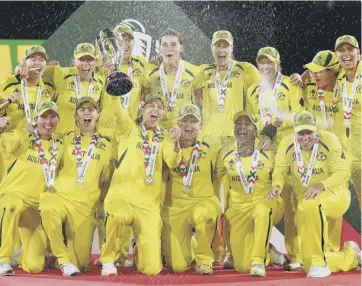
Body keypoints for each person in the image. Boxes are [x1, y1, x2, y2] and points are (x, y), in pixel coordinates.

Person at [269, 110, 361, 278]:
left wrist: (321, 185)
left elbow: (343, 173)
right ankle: (352, 255)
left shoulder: (330, 140)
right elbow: (280, 170)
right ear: (295, 131)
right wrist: (277, 185)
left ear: (316, 130)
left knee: (313, 203)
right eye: (301, 133)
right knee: (307, 265)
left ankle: (320, 261)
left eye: (309, 132)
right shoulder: (286, 143)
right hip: (305, 202)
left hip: (336, 195)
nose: (305, 138)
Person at [100, 93, 182, 276]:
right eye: (151, 106)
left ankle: (140, 251)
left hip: (148, 206)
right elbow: (118, 111)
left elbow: (173, 161)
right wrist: (113, 94)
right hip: (122, 197)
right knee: (117, 215)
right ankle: (107, 259)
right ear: (141, 110)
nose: (156, 110)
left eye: (160, 108)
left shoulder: (165, 139)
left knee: (152, 269)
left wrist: (176, 143)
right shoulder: (129, 128)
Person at [38, 97, 115, 276]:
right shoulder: (65, 138)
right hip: (60, 197)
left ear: (98, 115)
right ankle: (62, 259)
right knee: (47, 205)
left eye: (91, 109)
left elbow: (110, 176)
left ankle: (55, 255)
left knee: (81, 265)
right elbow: (42, 139)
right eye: (82, 110)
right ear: (76, 117)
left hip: (85, 207)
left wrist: (101, 203)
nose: (87, 112)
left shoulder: (108, 144)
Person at [246, 46, 304, 270]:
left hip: (287, 151)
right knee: (263, 202)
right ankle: (266, 252)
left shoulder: (290, 84)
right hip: (264, 151)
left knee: (290, 203)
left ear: (277, 63)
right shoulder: (253, 90)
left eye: (270, 62)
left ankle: (296, 255)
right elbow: (255, 121)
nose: (266, 66)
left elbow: (300, 114)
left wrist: (279, 122)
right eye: (262, 62)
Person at [96, 24, 148, 266]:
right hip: (105, 135)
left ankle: (121, 253)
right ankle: (108, 247)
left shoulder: (142, 65)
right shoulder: (99, 62)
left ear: (132, 42)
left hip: (129, 136)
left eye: (127, 39)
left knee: (127, 191)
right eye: (120, 39)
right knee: (102, 194)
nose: (124, 43)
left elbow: (152, 89)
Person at [214, 111, 284, 276]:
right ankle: (269, 252)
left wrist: (277, 185)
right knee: (243, 266)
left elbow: (280, 170)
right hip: (240, 209)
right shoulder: (226, 153)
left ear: (255, 129)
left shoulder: (268, 148)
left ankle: (259, 260)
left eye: (247, 124)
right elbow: (217, 176)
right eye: (238, 124)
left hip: (268, 201)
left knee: (262, 211)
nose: (242, 128)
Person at [0, 101, 63, 276]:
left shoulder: (60, 145)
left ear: (58, 119)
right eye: (44, 116)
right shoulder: (22, 135)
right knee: (13, 204)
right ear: (35, 119)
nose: (48, 121)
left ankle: (20, 254)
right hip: (11, 199)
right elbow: (5, 141)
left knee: (34, 266)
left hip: (34, 210)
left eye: (52, 116)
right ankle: (3, 259)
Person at [161, 104, 222, 275]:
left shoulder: (210, 146)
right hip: (176, 207)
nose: (188, 126)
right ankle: (194, 244)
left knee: (206, 215)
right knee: (178, 266)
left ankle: (204, 260)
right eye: (184, 121)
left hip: (203, 201)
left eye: (193, 121)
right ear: (177, 125)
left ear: (200, 125)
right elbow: (172, 161)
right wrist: (174, 144)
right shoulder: (168, 145)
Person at [17, 43, 105, 135]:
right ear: (74, 61)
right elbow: (33, 71)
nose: (85, 63)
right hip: (59, 140)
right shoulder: (60, 73)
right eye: (81, 59)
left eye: (90, 59)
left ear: (96, 61)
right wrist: (19, 68)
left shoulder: (101, 81)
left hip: (85, 140)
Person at [142, 29, 199, 131]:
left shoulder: (194, 72)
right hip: (157, 132)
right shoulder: (150, 72)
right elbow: (143, 99)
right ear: (159, 48)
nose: (169, 49)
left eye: (173, 45)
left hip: (182, 132)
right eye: (164, 45)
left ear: (181, 48)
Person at [335, 35, 361, 209]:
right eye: (341, 50)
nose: (346, 54)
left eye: (350, 49)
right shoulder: (340, 74)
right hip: (352, 151)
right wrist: (303, 75)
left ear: (358, 52)